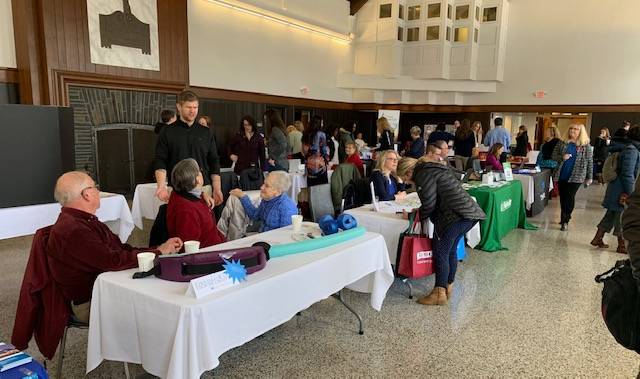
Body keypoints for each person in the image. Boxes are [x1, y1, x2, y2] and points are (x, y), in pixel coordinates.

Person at [47, 172, 182, 322]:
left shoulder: (84, 221)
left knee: (165, 291)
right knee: (164, 308)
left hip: (109, 289)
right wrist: (158, 252)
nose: (98, 191)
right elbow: (113, 261)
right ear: (86, 195)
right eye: (95, 187)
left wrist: (159, 249)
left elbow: (122, 250)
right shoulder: (73, 230)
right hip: (92, 302)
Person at [396, 155, 485, 306]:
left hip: (455, 216)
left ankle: (439, 293)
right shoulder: (433, 168)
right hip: (468, 213)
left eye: (404, 178)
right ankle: (447, 287)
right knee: (449, 251)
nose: (406, 182)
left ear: (409, 172)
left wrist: (414, 215)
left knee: (441, 251)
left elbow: (429, 203)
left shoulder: (422, 174)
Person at [154, 90, 223, 208]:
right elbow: (160, 160)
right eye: (189, 107)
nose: (192, 111)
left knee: (204, 223)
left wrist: (217, 189)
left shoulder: (206, 132)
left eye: (195, 107)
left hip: (204, 187)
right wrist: (161, 186)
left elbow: (214, 161)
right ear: (179, 107)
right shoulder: (167, 131)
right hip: (176, 188)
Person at [591, 127, 640, 253]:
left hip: (617, 187)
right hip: (622, 189)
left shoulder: (628, 147)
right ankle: (622, 245)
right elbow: (627, 174)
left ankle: (598, 238)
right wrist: (631, 193)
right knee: (620, 216)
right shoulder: (632, 150)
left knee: (611, 215)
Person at [167, 159, 226, 248]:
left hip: (217, 245)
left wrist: (202, 194)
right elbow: (189, 248)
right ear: (197, 179)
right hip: (209, 255)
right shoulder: (186, 211)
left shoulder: (180, 194)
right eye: (199, 171)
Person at [552, 124, 593, 231]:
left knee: (569, 197)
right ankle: (564, 216)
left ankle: (565, 220)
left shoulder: (585, 145)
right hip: (562, 174)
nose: (573, 130)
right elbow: (553, 156)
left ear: (581, 132)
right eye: (571, 128)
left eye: (576, 129)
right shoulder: (562, 142)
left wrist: (590, 177)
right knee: (563, 197)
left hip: (577, 175)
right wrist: (562, 157)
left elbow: (589, 161)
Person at [229, 171, 298, 232]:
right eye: (263, 184)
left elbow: (285, 235)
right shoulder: (267, 199)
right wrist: (243, 197)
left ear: (278, 191)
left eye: (267, 186)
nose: (261, 187)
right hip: (262, 236)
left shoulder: (287, 207)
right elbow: (254, 216)